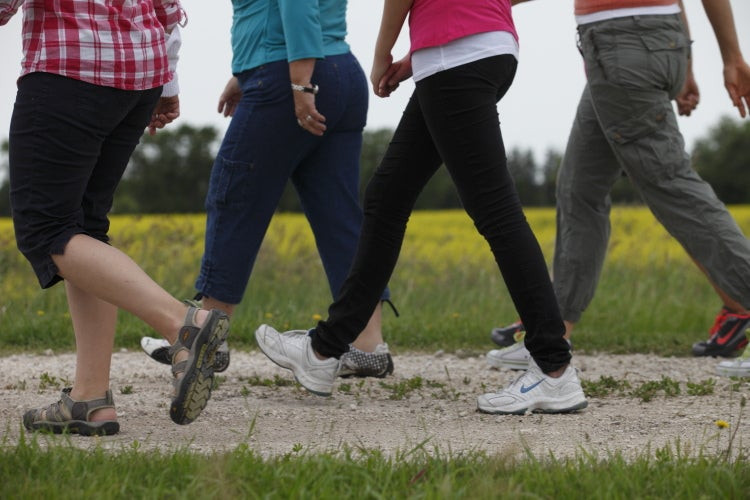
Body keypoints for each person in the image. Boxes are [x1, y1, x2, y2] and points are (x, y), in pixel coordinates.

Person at [254, 0, 588, 415]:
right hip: (478, 49)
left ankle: (554, 368)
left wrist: (382, 55)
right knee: (387, 197)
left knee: (495, 213)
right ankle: (323, 351)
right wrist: (423, 50)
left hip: (457, 56)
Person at [2, 0, 230, 436]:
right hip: (139, 74)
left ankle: (183, 326)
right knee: (84, 228)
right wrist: (169, 80)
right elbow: (166, 7)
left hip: (69, 69)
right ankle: (90, 398)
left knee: (47, 230)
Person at [488, 0, 750, 373]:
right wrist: (692, 61)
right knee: (579, 187)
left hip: (624, 45)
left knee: (671, 184)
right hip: (634, 45)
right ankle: (552, 333)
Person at [140, 0, 395, 379]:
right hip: (341, 72)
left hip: (289, 74)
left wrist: (299, 80)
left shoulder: (295, 75)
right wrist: (246, 71)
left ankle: (207, 335)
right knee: (339, 216)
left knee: (234, 197)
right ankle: (367, 342)